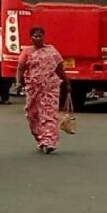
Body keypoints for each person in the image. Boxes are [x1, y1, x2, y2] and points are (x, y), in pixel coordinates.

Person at [16, 26, 66, 154]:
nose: (38, 38)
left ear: (44, 37)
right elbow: (20, 68)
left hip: (50, 88)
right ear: (31, 38)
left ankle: (49, 141)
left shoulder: (51, 51)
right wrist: (18, 82)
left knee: (49, 114)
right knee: (33, 115)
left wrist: (67, 82)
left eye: (40, 36)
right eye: (35, 36)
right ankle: (41, 138)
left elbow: (59, 68)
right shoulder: (27, 52)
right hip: (33, 89)